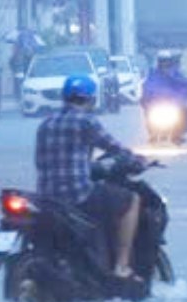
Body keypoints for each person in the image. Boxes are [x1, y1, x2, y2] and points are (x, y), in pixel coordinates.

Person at [35, 75, 147, 283]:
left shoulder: (45, 124)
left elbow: (44, 162)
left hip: (46, 199)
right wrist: (139, 160)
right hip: (77, 196)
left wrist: (90, 166)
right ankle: (122, 266)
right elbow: (116, 148)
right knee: (131, 200)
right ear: (91, 99)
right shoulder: (86, 121)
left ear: (65, 97)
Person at [143, 50, 187, 136]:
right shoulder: (154, 73)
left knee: (184, 110)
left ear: (170, 61)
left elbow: (183, 85)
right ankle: (151, 131)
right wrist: (145, 98)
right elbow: (147, 85)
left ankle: (180, 130)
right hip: (157, 103)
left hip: (173, 103)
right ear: (159, 62)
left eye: (166, 61)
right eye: (162, 61)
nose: (164, 63)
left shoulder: (176, 73)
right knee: (148, 111)